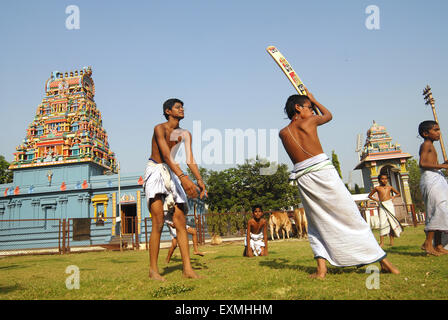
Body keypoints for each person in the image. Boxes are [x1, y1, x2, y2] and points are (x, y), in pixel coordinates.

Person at [280, 88, 399, 279]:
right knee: (350, 215)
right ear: (298, 107)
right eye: (309, 108)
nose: (311, 111)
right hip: (323, 172)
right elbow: (328, 116)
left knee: (315, 222)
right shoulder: (310, 121)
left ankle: (321, 270)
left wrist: (309, 104)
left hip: (304, 178)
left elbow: (306, 137)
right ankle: (383, 261)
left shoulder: (283, 132)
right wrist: (315, 100)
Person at [143, 98, 206, 281]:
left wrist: (199, 180)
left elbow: (189, 159)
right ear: (168, 111)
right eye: (178, 107)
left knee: (180, 220)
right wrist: (184, 178)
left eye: (182, 107)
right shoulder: (159, 128)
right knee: (159, 221)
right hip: (156, 169)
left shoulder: (185, 133)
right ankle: (153, 270)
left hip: (172, 172)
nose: (182, 109)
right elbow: (165, 155)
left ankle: (188, 269)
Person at [418, 120, 448, 256]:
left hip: (437, 177)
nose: (438, 132)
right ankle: (428, 244)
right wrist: (442, 166)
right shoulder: (426, 144)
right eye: (435, 130)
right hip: (430, 178)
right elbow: (423, 163)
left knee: (443, 209)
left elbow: (431, 163)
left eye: (439, 129)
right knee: (438, 209)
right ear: (425, 133)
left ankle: (439, 245)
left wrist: (442, 164)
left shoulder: (431, 145)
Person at [368, 174, 403, 247]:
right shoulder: (377, 188)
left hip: (389, 204)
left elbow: (398, 193)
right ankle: (382, 242)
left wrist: (393, 197)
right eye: (383, 179)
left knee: (391, 222)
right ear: (379, 180)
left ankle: (392, 242)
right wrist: (377, 200)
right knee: (382, 222)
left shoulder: (389, 187)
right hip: (382, 205)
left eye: (386, 179)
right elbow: (369, 196)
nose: (385, 180)